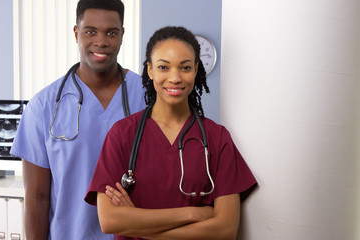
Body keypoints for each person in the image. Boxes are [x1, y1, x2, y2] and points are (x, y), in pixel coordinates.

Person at [85, 26, 257, 240]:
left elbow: (225, 229)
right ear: (150, 70)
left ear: (196, 69)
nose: (175, 78)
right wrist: (195, 213)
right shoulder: (122, 135)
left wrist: (137, 225)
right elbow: (110, 221)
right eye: (163, 67)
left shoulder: (217, 138)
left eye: (185, 68)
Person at [10, 0, 145, 239]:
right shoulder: (42, 107)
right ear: (76, 33)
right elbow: (36, 198)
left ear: (123, 35)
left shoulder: (148, 98)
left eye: (111, 32)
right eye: (90, 31)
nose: (101, 42)